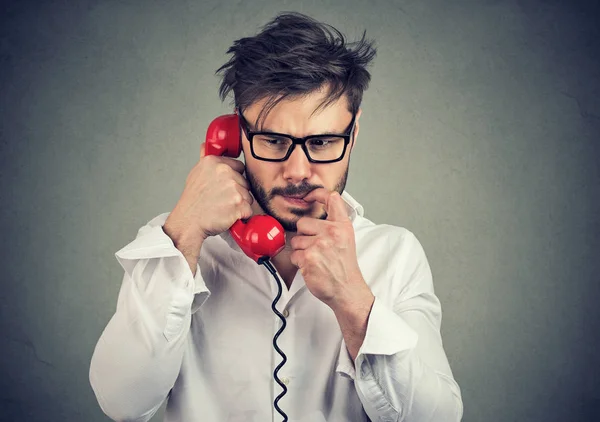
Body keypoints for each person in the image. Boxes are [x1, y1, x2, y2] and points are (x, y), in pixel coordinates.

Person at [89, 11, 463, 422]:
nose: (298, 171)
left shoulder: (395, 254)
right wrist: (183, 233)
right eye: (272, 140)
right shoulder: (177, 244)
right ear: (236, 136)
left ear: (352, 134)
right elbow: (121, 403)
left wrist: (354, 300)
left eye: (321, 142)